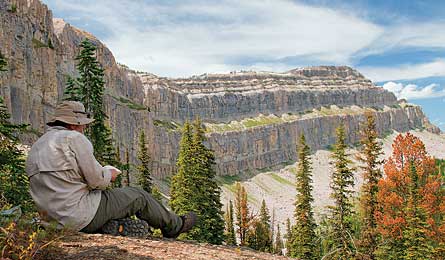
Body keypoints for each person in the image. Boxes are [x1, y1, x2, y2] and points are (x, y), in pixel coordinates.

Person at [25, 101, 196, 237]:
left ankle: (113, 227)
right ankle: (175, 226)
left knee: (112, 202)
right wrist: (109, 174)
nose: (84, 128)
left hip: (52, 222)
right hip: (78, 217)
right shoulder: (74, 138)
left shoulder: (37, 146)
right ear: (73, 124)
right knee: (138, 196)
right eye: (83, 124)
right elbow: (97, 182)